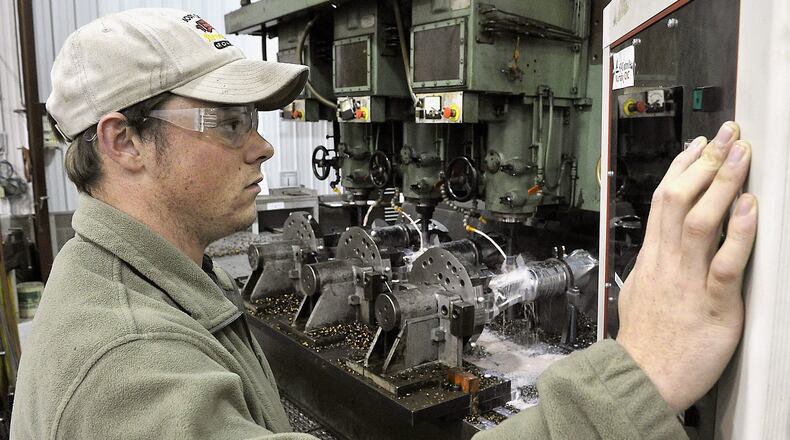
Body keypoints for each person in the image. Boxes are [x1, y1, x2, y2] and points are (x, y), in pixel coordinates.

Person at [10, 8, 757, 440]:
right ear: (124, 142)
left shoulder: (152, 290)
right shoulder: (129, 369)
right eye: (231, 122)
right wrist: (635, 377)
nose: (262, 145)